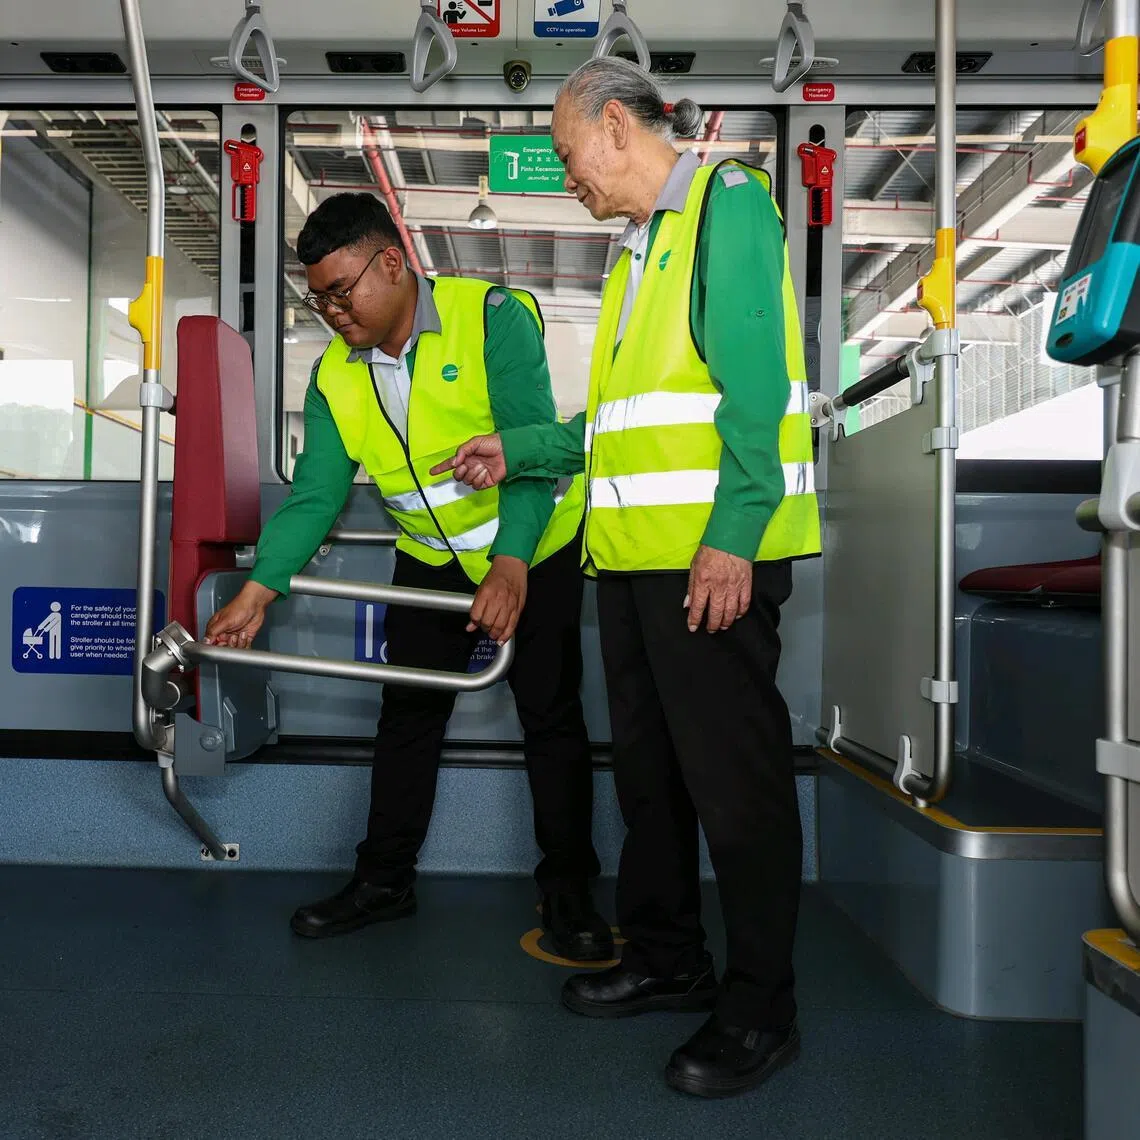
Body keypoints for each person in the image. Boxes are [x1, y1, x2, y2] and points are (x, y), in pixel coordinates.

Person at [432, 58, 820, 1098]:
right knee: (653, 784)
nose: (570, 179)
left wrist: (736, 535)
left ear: (613, 126)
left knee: (735, 791)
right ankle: (667, 955)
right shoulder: (636, 254)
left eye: (567, 156)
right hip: (637, 565)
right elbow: (616, 429)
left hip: (709, 560)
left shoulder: (724, 205)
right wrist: (525, 450)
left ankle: (760, 1009)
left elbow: (757, 382)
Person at [204, 192, 613, 963]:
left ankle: (569, 891)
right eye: (316, 295)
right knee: (408, 718)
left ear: (390, 261)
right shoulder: (334, 374)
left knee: (551, 719)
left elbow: (529, 456)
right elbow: (317, 495)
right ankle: (384, 880)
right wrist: (259, 590)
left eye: (340, 289)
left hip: (535, 548)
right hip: (429, 561)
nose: (330, 310)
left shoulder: (492, 317)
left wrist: (511, 566)